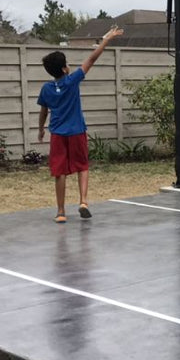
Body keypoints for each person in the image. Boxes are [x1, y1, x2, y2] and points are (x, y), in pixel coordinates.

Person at [36, 26, 123, 223]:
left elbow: (43, 111)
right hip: (76, 131)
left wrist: (41, 129)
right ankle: (83, 201)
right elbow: (92, 59)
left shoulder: (46, 89)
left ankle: (60, 212)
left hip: (58, 134)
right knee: (82, 166)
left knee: (60, 172)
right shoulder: (72, 80)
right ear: (65, 69)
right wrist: (107, 39)